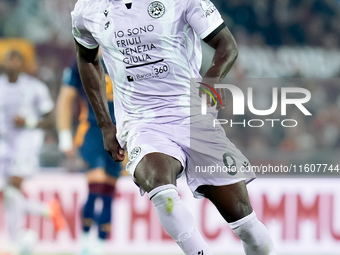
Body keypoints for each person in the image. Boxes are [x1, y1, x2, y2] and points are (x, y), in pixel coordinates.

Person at [71, 0, 275, 254]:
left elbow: (226, 45)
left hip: (193, 117)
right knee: (161, 189)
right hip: (142, 122)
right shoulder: (87, 9)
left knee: (244, 223)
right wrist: (105, 124)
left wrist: (210, 82)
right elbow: (86, 59)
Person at [0, 50, 65, 255]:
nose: (11, 62)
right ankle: (46, 210)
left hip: (25, 144)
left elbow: (49, 119)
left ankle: (15, 242)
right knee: (8, 193)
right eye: (8, 59)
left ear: (23, 64)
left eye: (15, 59)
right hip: (3, 144)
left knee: (13, 188)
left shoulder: (35, 88)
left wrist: (28, 122)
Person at [56, 58, 122, 255]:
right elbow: (65, 99)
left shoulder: (123, 57)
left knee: (108, 192)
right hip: (91, 131)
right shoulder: (80, 62)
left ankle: (100, 245)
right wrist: (65, 136)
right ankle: (85, 241)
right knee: (97, 184)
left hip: (121, 133)